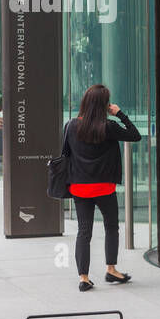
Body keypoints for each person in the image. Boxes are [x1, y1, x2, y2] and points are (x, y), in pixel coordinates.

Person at [60, 84, 140, 292]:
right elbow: (135, 135)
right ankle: (111, 269)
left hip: (80, 188)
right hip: (104, 188)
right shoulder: (109, 127)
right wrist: (120, 113)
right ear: (104, 105)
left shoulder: (70, 126)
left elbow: (65, 154)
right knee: (111, 226)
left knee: (83, 231)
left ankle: (83, 278)